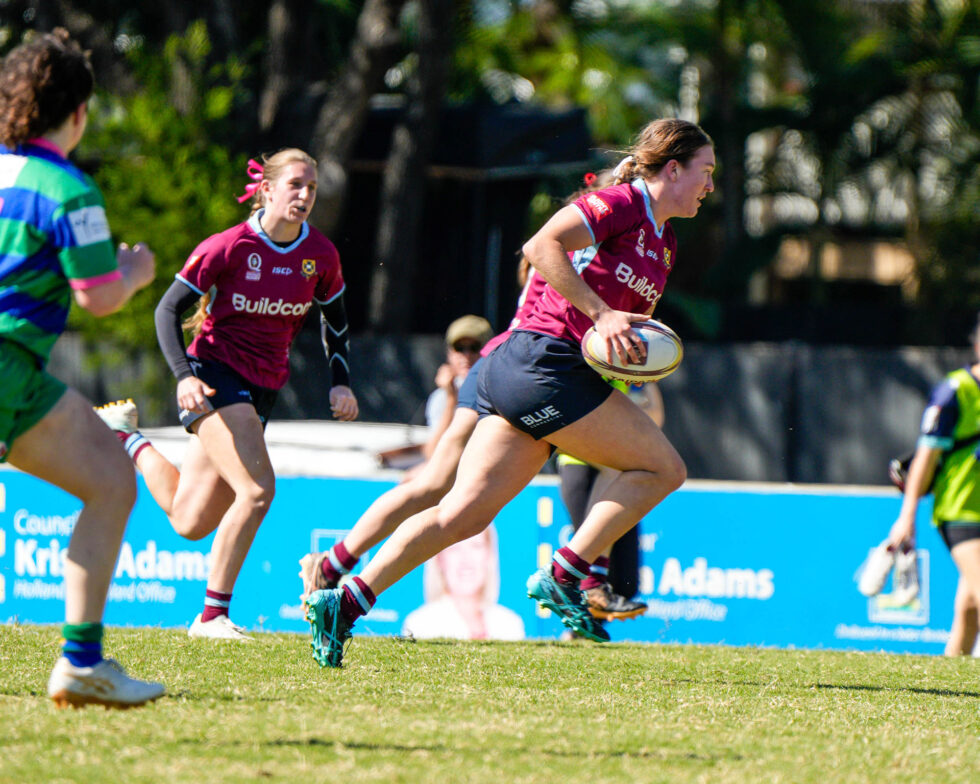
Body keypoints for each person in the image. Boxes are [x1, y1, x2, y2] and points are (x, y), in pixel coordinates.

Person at [305, 117, 715, 667]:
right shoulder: (620, 203)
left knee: (461, 516)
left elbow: (617, 329)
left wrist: (627, 346)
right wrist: (600, 312)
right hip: (540, 363)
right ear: (672, 168)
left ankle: (345, 601)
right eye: (705, 171)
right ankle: (566, 574)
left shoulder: (662, 242)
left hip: (542, 373)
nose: (710, 186)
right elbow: (540, 244)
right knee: (664, 468)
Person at [95, 148, 358, 641]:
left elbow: (336, 324)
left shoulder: (320, 255)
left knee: (190, 521)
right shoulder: (230, 246)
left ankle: (125, 437)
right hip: (212, 377)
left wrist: (341, 379)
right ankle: (211, 618)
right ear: (268, 189)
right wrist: (183, 376)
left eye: (312, 188)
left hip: (262, 389)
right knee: (257, 492)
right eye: (295, 185)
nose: (304, 195)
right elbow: (166, 311)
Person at [0, 29, 163, 707]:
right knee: (111, 484)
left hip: (18, 375)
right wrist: (135, 270)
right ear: (78, 112)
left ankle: (84, 663)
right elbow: (97, 296)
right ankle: (80, 661)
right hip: (7, 366)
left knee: (109, 476)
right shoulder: (66, 187)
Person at [886, 314, 980, 656]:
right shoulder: (955, 391)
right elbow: (924, 458)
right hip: (961, 513)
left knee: (970, 609)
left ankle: (951, 684)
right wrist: (907, 515)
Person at [557, 381, 665, 623]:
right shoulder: (588, 360)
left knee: (625, 582)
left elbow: (654, 420)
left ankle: (582, 630)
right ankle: (580, 612)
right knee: (590, 556)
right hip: (581, 468)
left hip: (617, 469)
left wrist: (649, 377)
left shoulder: (628, 372)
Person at [402, 524, 525, 641]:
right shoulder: (419, 625)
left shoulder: (511, 625)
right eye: (454, 548)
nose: (466, 559)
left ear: (488, 554)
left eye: (476, 546)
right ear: (439, 558)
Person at [422, 315, 493, 458]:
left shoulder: (500, 391)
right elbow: (433, 454)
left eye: (474, 348)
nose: (466, 355)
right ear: (449, 353)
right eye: (459, 348)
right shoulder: (442, 396)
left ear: (490, 351)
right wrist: (451, 399)